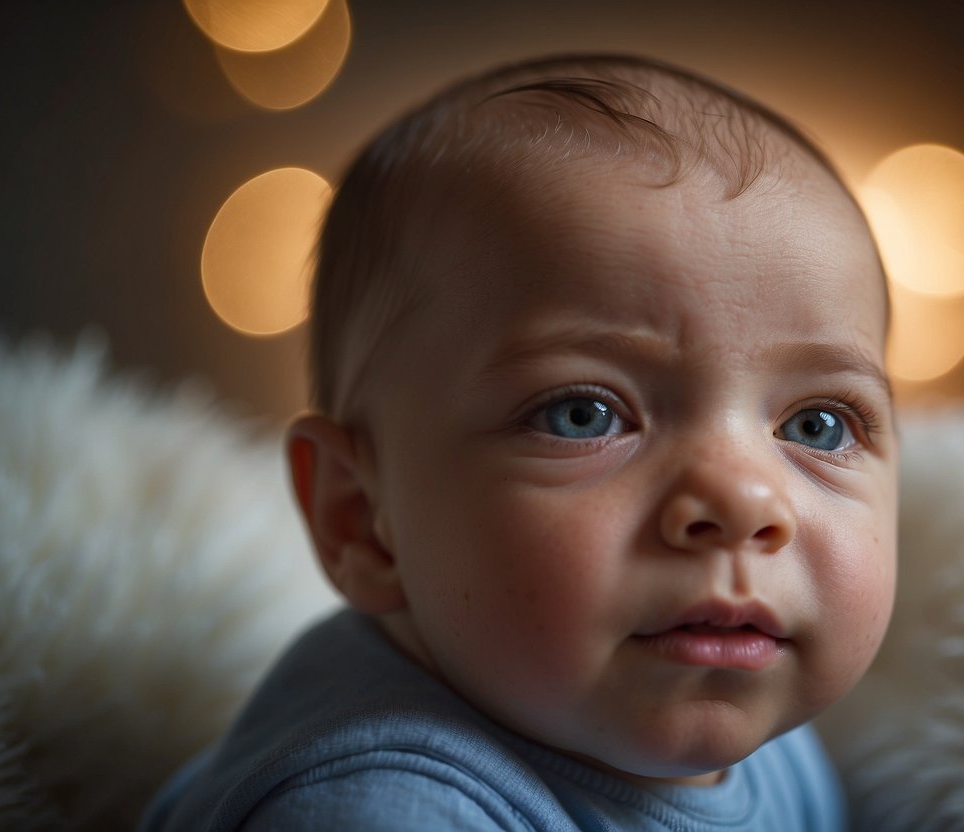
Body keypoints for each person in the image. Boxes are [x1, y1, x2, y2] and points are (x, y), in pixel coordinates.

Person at [142, 52, 898, 831]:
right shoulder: (380, 806)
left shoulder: (773, 734)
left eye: (818, 425)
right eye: (584, 415)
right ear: (361, 519)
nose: (744, 501)